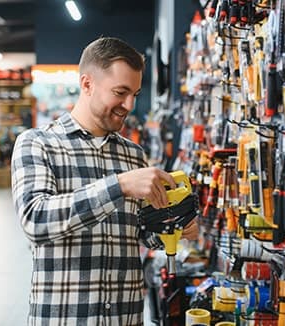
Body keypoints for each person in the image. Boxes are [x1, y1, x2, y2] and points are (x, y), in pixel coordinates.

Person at [11, 37, 198, 325]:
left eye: (135, 93)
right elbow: (36, 222)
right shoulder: (37, 143)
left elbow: (136, 234)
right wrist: (118, 186)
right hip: (66, 318)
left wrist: (170, 228)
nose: (130, 105)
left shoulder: (133, 155)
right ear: (87, 84)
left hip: (125, 317)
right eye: (121, 92)